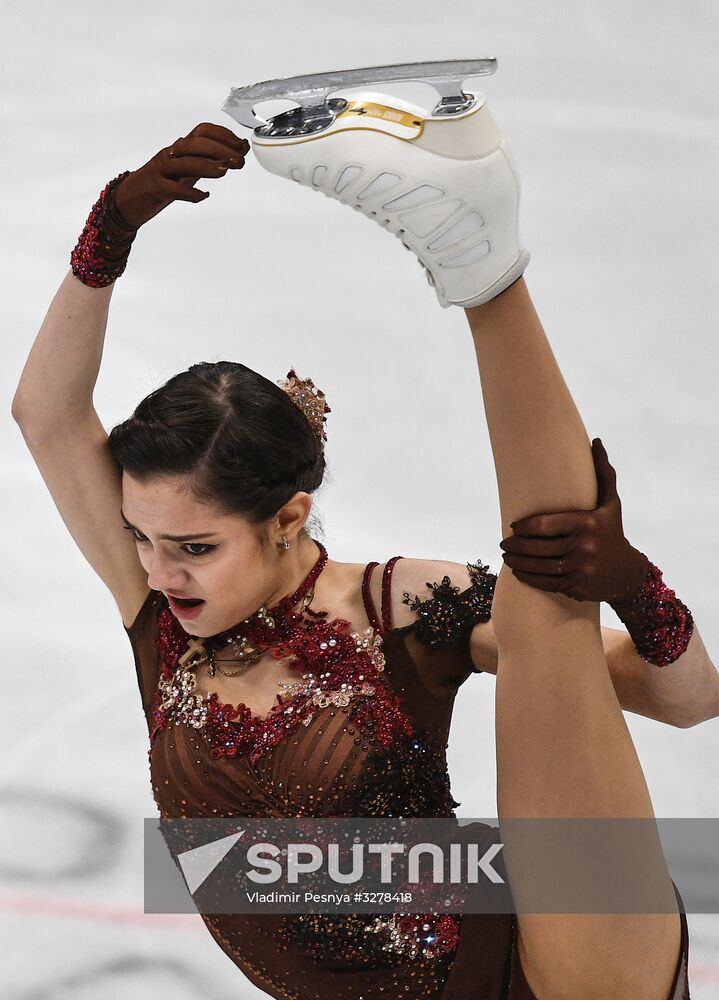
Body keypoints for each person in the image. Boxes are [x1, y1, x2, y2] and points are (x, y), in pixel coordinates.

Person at [11, 105, 713, 998]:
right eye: (141, 539)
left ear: (288, 516)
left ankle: (481, 259)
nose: (155, 571)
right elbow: (46, 414)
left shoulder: (404, 607)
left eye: (192, 545)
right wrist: (106, 229)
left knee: (546, 590)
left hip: (544, 972)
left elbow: (686, 702)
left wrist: (632, 585)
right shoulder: (164, 618)